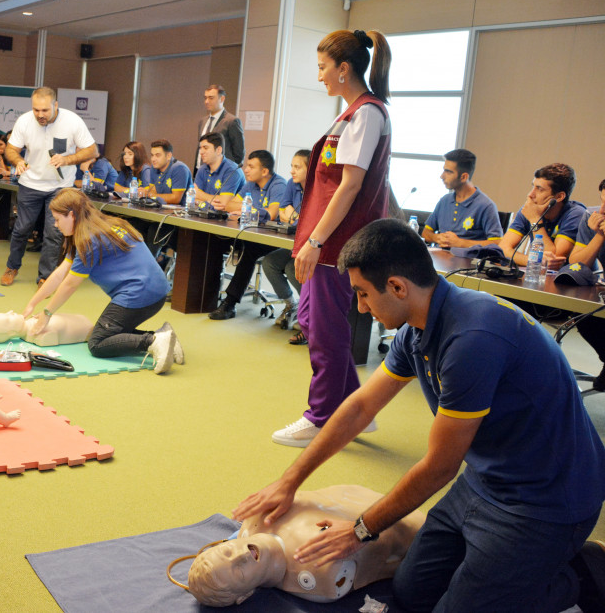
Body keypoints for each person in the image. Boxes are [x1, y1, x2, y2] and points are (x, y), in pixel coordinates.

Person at [233, 218, 605, 613]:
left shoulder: (471, 339)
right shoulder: (416, 327)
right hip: (486, 480)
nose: (360, 307)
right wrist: (289, 481)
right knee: (411, 594)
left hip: (547, 500)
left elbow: (439, 468)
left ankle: (579, 574)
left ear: (397, 286)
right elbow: (360, 407)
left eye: (362, 294)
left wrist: (360, 530)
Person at [276, 29, 393, 448]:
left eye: (324, 67)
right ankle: (356, 408)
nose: (320, 75)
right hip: (325, 240)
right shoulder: (350, 113)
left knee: (325, 330)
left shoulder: (367, 113)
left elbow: (348, 187)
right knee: (310, 319)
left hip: (337, 242)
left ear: (344, 68)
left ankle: (321, 416)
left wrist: (317, 242)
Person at [178, 485, 425, 606]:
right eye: (238, 571)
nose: (241, 555)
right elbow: (386, 563)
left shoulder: (255, 517)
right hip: (408, 517)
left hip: (362, 495)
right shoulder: (319, 575)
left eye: (228, 551)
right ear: (244, 596)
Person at [22, 188, 183, 373]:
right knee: (108, 332)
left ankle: (153, 341)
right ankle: (164, 336)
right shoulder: (100, 225)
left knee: (97, 343)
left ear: (72, 215)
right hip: (155, 291)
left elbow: (70, 284)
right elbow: (60, 274)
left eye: (57, 219)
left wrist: (46, 314)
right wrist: (32, 304)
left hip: (140, 294)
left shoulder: (89, 241)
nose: (56, 225)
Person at [0, 87, 99, 286]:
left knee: (53, 234)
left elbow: (92, 150)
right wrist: (17, 160)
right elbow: (11, 149)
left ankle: (45, 277)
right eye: (36, 110)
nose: (40, 115)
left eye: (45, 110)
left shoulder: (72, 121)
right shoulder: (25, 121)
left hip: (60, 187)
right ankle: (12, 267)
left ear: (55, 105)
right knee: (22, 229)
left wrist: (68, 159)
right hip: (30, 184)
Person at [208, 150, 288, 320]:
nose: (246, 170)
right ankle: (208, 294)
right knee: (214, 241)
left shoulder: (279, 185)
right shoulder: (251, 184)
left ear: (265, 171)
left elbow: (272, 214)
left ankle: (230, 303)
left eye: (251, 166)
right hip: (249, 234)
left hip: (272, 240)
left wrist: (246, 210)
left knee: (248, 250)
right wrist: (249, 210)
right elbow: (229, 205)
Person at [559, 177, 605, 389]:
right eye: (602, 201)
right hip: (600, 294)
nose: (603, 209)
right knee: (582, 314)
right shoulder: (592, 216)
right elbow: (576, 262)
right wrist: (598, 236)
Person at [497, 163, 584, 271]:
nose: (530, 194)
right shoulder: (530, 210)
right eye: (533, 186)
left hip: (571, 283)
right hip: (539, 277)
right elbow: (502, 249)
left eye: (540, 189)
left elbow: (553, 260)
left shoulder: (575, 214)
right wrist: (530, 260)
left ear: (559, 196)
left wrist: (535, 219)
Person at [261, 149, 309, 332]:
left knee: (291, 268)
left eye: (297, 167)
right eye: (291, 166)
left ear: (310, 169)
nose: (292, 171)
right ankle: (291, 305)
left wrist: (293, 215)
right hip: (293, 243)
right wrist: (295, 217)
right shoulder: (292, 184)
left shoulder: (318, 188)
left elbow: (307, 222)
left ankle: (309, 311)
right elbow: (282, 214)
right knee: (270, 262)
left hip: (311, 246)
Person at [423, 149, 503, 248]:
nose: (442, 176)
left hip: (466, 261)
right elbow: (426, 233)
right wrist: (436, 238)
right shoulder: (444, 201)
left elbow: (497, 243)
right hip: (440, 259)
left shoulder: (485, 205)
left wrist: (460, 243)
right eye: (444, 170)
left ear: (464, 177)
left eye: (448, 172)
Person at [0, 310, 93, 347]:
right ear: (11, 333)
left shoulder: (36, 324)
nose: (11, 312)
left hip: (86, 325)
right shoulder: (42, 332)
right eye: (8, 318)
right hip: (88, 330)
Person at [197, 84, 245, 166]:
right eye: (205, 98)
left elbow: (239, 154)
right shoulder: (203, 121)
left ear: (222, 99)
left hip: (222, 172)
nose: (207, 101)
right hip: (202, 170)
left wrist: (228, 169)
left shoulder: (231, 121)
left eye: (211, 98)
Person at [193, 132, 244, 206]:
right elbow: (194, 198)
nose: (201, 152)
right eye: (200, 148)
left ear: (218, 150)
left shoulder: (232, 170)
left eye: (205, 148)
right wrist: (205, 200)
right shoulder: (202, 169)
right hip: (204, 213)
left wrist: (200, 194)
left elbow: (224, 203)